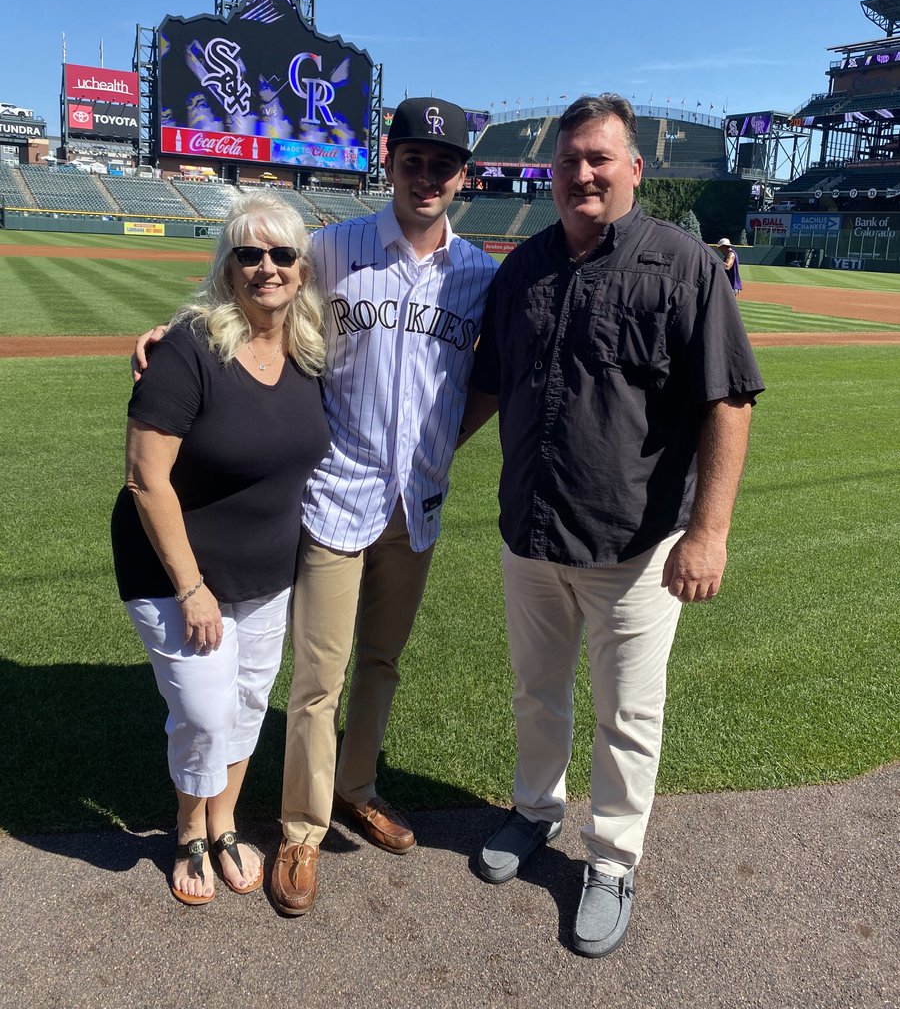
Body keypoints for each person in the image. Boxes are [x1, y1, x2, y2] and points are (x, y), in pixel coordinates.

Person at [135, 98, 497, 916]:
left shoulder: (480, 274)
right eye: (413, 158)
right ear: (389, 163)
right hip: (337, 491)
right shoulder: (333, 249)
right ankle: (300, 828)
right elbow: (250, 289)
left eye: (443, 163)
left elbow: (492, 380)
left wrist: (441, 444)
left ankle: (359, 787)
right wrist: (171, 332)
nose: (427, 175)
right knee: (316, 677)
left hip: (421, 502)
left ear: (462, 176)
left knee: (382, 662)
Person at [459, 94, 764, 958]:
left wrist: (710, 531)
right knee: (536, 690)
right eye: (569, 161)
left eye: (600, 158)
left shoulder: (683, 265)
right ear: (550, 173)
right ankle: (534, 812)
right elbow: (491, 382)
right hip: (531, 531)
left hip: (635, 544)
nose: (583, 174)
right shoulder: (523, 269)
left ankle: (613, 859)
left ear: (634, 168)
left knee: (628, 713)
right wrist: (432, 452)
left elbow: (729, 399)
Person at [113, 193, 330, 906]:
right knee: (204, 712)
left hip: (268, 569)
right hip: (178, 571)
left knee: (245, 702)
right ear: (228, 265)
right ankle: (188, 830)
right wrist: (191, 586)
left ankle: (226, 821)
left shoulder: (310, 349)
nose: (266, 268)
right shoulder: (190, 347)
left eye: (281, 254)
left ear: (302, 268)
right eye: (248, 254)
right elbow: (147, 480)